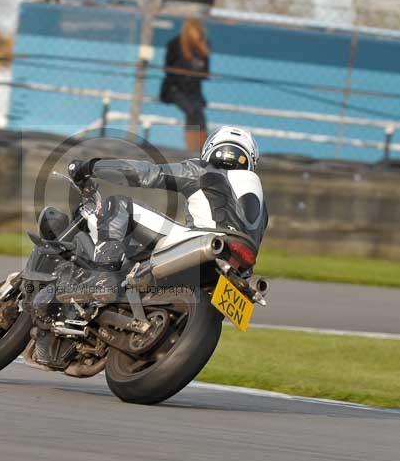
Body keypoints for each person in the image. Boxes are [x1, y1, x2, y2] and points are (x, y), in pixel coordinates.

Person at [66, 125, 268, 296]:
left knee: (118, 205)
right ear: (250, 159)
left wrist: (91, 167)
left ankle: (102, 278)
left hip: (203, 242)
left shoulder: (204, 170)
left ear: (210, 149)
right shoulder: (261, 205)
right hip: (240, 269)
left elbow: (145, 174)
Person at [159, 18, 211, 152]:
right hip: (175, 88)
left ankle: (202, 147)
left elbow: (205, 73)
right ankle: (194, 147)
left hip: (193, 90)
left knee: (199, 115)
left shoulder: (203, 46)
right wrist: (185, 73)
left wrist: (197, 71)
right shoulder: (175, 44)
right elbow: (168, 69)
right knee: (193, 111)